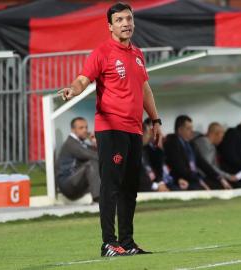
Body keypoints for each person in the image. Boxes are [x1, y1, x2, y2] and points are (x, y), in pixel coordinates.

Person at [58, 3, 163, 257]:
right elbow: (83, 79)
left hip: (134, 130)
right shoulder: (102, 52)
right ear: (110, 26)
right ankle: (108, 243)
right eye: (119, 20)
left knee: (130, 187)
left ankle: (127, 243)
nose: (126, 23)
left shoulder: (138, 54)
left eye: (129, 18)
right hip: (111, 128)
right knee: (111, 186)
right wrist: (73, 89)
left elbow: (145, 89)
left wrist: (155, 119)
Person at [164, 115, 232, 191]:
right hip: (181, 180)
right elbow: (180, 169)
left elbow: (203, 163)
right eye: (188, 129)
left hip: (194, 178)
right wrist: (199, 180)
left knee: (221, 185)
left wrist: (220, 178)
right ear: (180, 130)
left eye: (192, 128)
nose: (192, 131)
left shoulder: (191, 144)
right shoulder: (172, 144)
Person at [55, 117, 100, 202]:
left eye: (86, 127)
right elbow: (95, 156)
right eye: (81, 128)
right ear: (73, 130)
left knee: (99, 164)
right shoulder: (71, 143)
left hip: (76, 182)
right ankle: (99, 200)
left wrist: (94, 142)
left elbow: (99, 153)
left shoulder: (81, 143)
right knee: (91, 164)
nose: (85, 130)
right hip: (68, 184)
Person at [139, 120, 171, 192]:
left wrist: (159, 184)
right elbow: (140, 177)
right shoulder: (132, 152)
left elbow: (154, 171)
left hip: (154, 185)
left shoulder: (145, 151)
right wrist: (156, 186)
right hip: (144, 189)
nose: (149, 135)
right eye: (148, 133)